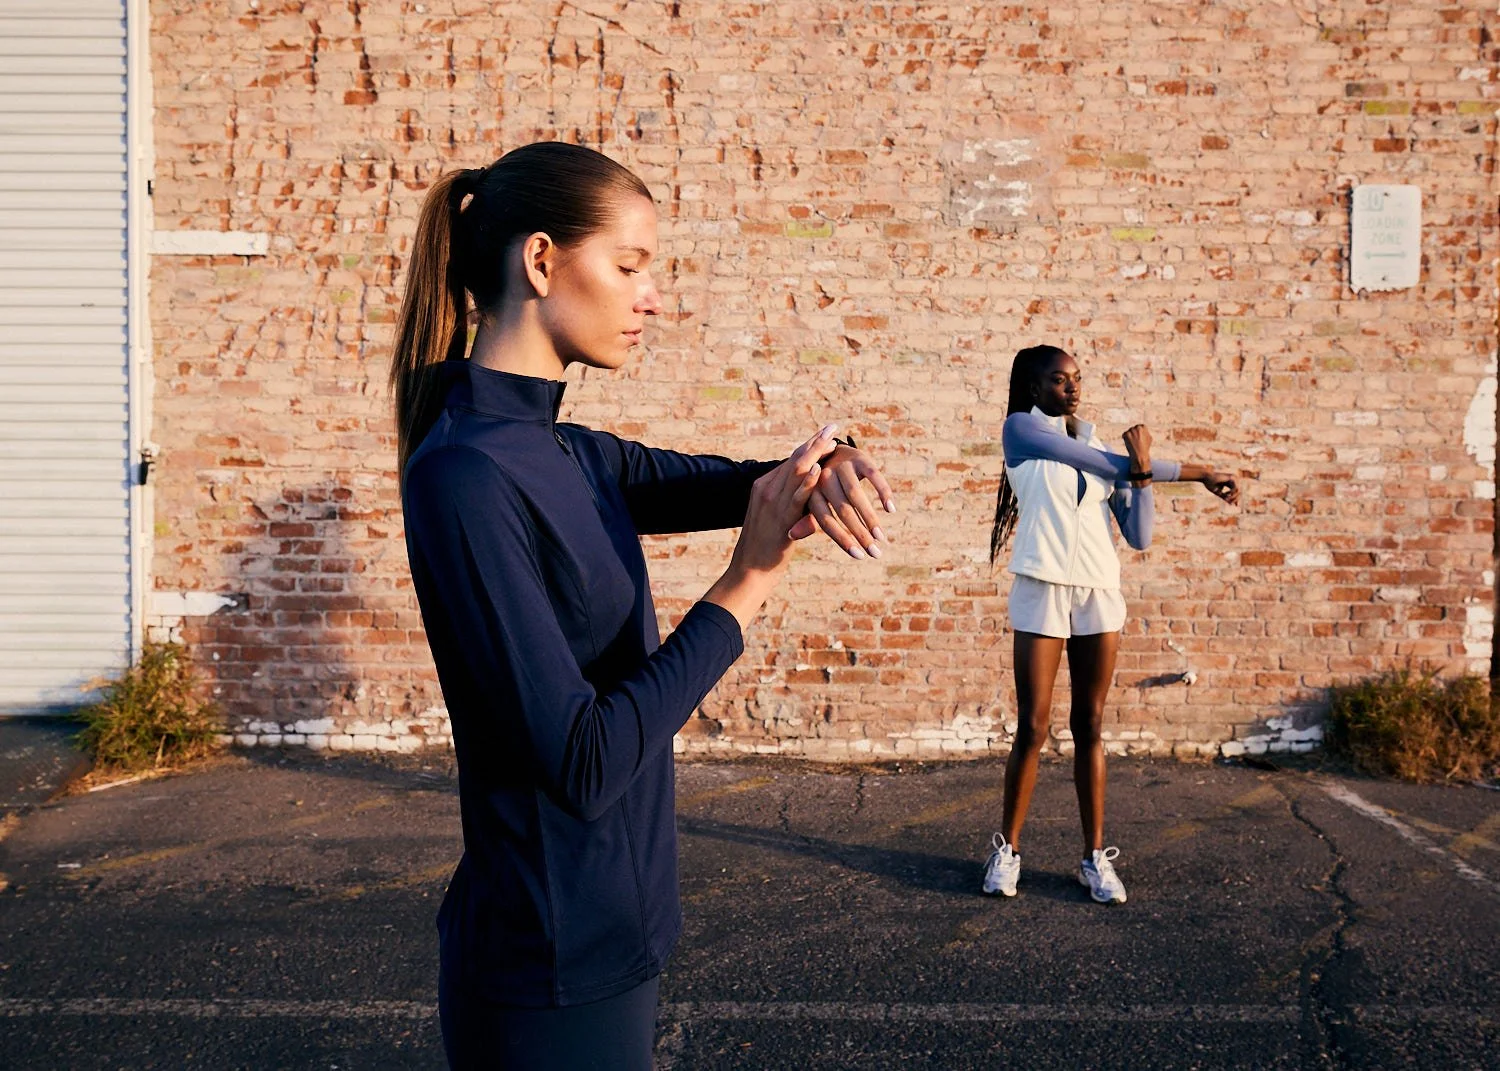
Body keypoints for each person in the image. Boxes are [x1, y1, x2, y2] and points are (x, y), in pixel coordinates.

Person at [390, 141, 894, 1070]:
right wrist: (749, 580)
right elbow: (581, 760)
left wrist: (830, 459)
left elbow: (741, 482)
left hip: (618, 934)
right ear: (541, 261)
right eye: (629, 266)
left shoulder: (573, 453)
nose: (651, 296)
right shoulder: (466, 477)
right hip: (544, 964)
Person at [981, 344, 1239, 904]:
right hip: (1042, 585)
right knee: (1033, 726)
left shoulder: (1097, 442)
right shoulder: (1021, 431)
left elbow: (1139, 535)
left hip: (1098, 590)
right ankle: (1008, 852)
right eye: (1059, 379)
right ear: (1034, 386)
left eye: (1077, 378)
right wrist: (1192, 472)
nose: (1072, 388)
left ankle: (1094, 858)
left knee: (1091, 725)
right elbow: (1111, 467)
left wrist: (1144, 479)